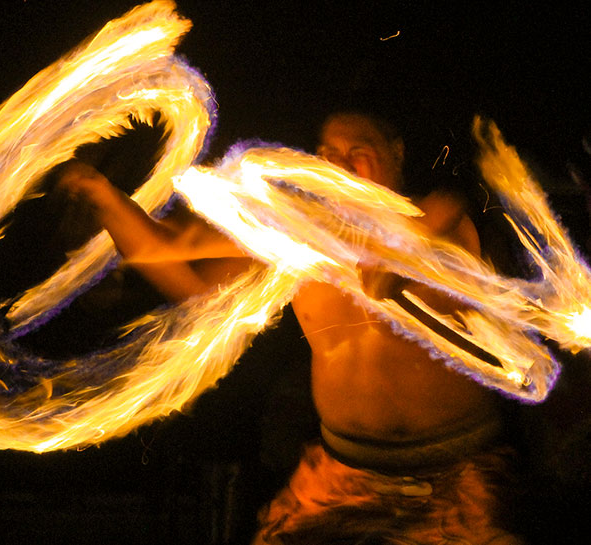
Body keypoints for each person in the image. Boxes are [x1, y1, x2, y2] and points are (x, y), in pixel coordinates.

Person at [58, 111, 521, 543]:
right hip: (344, 478)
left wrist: (403, 254)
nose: (339, 164)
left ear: (396, 151)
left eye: (357, 149)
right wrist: (99, 191)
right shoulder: (295, 238)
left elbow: (437, 233)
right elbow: (171, 259)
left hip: (460, 476)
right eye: (327, 154)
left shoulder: (445, 221)